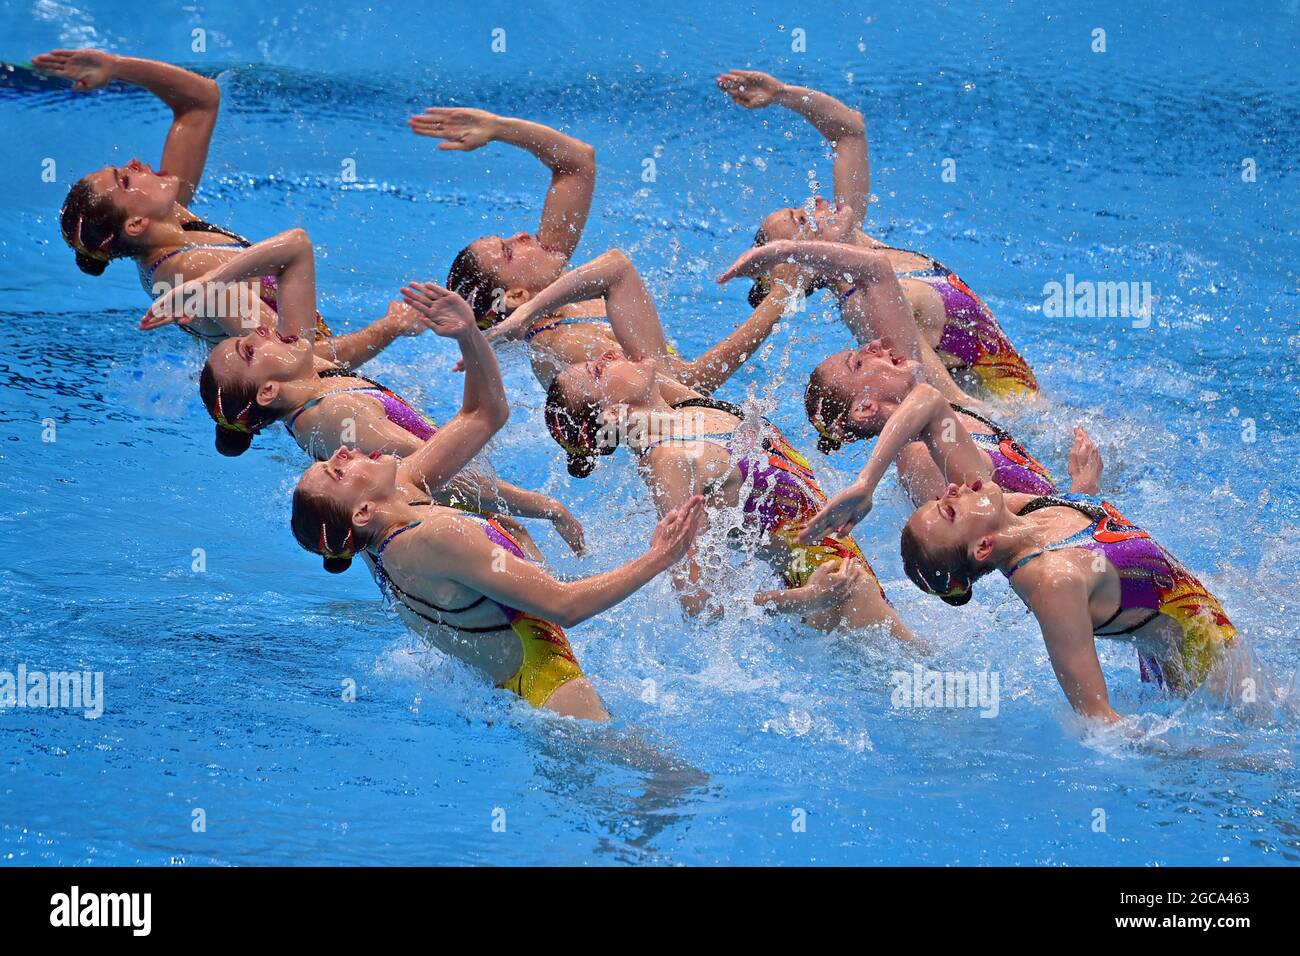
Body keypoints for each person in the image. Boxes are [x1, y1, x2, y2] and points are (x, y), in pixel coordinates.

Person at [287, 282, 705, 719]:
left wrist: (469, 334)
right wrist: (660, 557)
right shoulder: (434, 536)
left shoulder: (393, 511)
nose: (340, 452)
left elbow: (483, 414)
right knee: (665, 779)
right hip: (552, 696)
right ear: (364, 510)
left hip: (516, 681)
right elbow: (566, 606)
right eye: (336, 471)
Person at [519, 249, 912, 639]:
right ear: (615, 413)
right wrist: (807, 598)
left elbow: (617, 269)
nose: (608, 353)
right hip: (834, 599)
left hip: (845, 573)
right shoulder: (669, 460)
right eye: (600, 370)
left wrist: (515, 320)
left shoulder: (680, 399)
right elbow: (700, 603)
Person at [142, 227, 585, 556]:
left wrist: (208, 283)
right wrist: (546, 507)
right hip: (452, 529)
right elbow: (444, 476)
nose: (261, 329)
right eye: (249, 348)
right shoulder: (337, 419)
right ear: (267, 389)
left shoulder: (303, 366)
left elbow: (295, 246)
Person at [38, 47, 427, 364]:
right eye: (125, 179)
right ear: (136, 223)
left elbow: (199, 100)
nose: (136, 163)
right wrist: (390, 327)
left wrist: (117, 67)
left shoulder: (171, 223)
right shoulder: (193, 272)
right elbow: (301, 363)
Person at [891, 409, 1236, 720]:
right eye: (948, 511)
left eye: (940, 499)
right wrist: (1188, 755)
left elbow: (931, 405)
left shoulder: (1023, 511)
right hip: (1210, 674)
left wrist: (1082, 491)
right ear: (983, 547)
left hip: (1193, 647)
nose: (950, 489)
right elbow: (1098, 721)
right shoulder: (1052, 582)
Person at [716, 68, 1037, 398]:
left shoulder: (858, 244)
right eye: (804, 220)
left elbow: (848, 132)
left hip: (1037, 410)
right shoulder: (868, 303)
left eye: (800, 206)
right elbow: (940, 396)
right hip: (1010, 425)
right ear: (811, 259)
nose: (815, 201)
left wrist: (780, 94)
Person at [720, 240, 1068, 508]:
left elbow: (876, 269)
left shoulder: (941, 407)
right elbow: (995, 541)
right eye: (858, 362)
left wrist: (786, 250)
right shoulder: (921, 460)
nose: (873, 345)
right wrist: (1083, 493)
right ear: (865, 407)